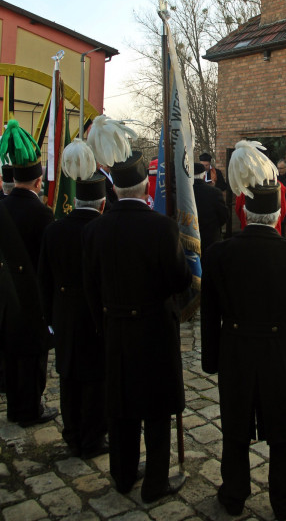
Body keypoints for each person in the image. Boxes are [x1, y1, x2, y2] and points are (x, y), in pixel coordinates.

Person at [201, 140, 286, 521]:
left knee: (235, 428)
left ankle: (233, 493)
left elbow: (210, 314)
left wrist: (211, 359)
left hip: (236, 351)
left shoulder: (219, 254)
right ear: (277, 213)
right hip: (280, 354)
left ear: (244, 210)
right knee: (283, 429)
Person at [82, 151, 192, 502]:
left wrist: (104, 324)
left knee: (121, 404)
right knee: (157, 409)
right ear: (147, 187)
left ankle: (124, 474)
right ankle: (155, 482)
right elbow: (179, 280)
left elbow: (90, 286)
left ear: (113, 190)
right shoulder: (162, 227)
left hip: (116, 328)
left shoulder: (95, 229)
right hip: (155, 330)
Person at [39, 171, 108, 458]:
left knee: (67, 373)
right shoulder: (103, 230)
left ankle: (71, 432)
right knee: (94, 377)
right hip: (95, 313)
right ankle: (92, 437)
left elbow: (44, 278)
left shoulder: (54, 229)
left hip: (64, 311)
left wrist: (50, 317)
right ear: (102, 204)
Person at [0, 120, 57, 426]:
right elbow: (47, 259)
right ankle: (30, 410)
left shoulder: (2, 207)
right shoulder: (42, 213)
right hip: (33, 295)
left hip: (6, 295)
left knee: (11, 353)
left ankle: (13, 408)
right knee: (33, 358)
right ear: (38, 182)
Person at [193, 162, 229, 254]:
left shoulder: (182, 193)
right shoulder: (214, 192)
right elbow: (223, 216)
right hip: (211, 238)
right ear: (204, 176)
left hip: (190, 238)